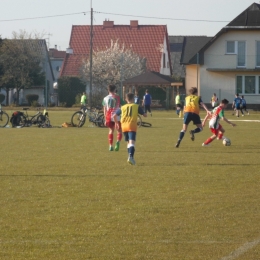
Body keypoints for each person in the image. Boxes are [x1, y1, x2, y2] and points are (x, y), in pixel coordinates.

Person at [114, 92, 147, 165]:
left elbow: (115, 115)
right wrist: (144, 113)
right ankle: (130, 157)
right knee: (132, 142)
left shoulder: (122, 107)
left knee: (128, 142)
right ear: (133, 99)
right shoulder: (136, 106)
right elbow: (145, 115)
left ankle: (130, 157)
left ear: (126, 99)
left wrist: (117, 123)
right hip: (131, 125)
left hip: (124, 126)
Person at [102, 85, 122, 151]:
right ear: (115, 89)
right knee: (119, 130)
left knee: (111, 130)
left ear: (108, 90)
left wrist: (105, 118)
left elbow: (104, 109)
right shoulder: (118, 97)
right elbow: (122, 106)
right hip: (117, 116)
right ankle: (118, 142)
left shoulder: (105, 98)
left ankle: (110, 146)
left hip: (109, 116)